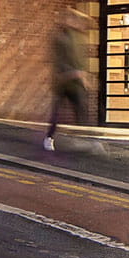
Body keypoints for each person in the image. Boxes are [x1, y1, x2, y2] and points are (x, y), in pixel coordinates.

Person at [45, 8, 90, 151]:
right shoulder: (60, 37)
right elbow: (59, 61)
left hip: (76, 83)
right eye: (74, 19)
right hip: (62, 82)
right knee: (56, 113)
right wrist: (73, 73)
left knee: (81, 109)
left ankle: (81, 140)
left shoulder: (79, 37)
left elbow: (80, 61)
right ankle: (49, 138)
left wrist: (83, 77)